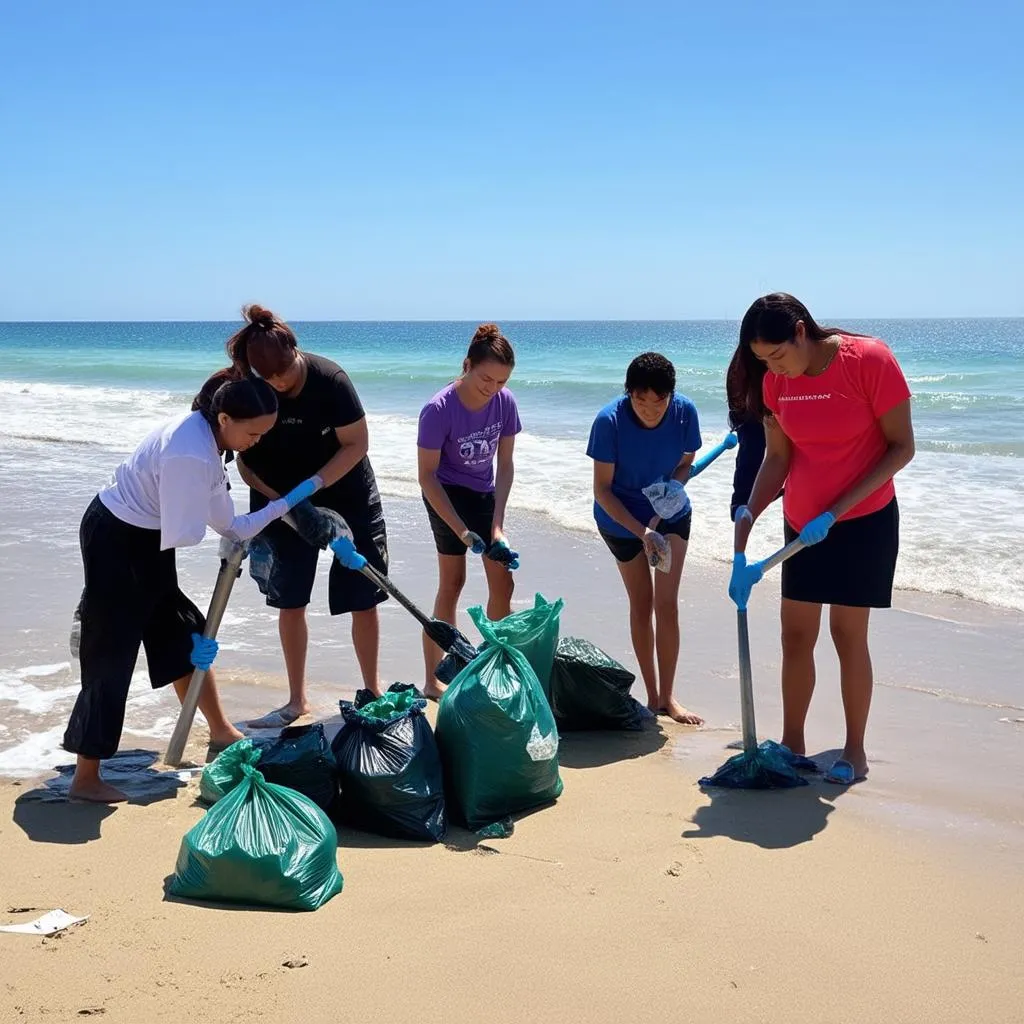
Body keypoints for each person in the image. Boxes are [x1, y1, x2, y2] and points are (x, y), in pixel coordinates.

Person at [63, 369, 321, 803]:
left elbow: (232, 525)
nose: (257, 442)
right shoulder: (191, 453)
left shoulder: (210, 442)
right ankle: (85, 778)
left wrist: (287, 504)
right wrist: (228, 517)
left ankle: (220, 729)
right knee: (111, 653)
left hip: (146, 538)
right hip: (117, 539)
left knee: (182, 631)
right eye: (253, 433)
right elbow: (189, 533)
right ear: (224, 419)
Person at [729, 293, 915, 785]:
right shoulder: (775, 384)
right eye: (763, 361)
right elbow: (777, 458)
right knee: (795, 636)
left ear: (800, 332)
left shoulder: (868, 360)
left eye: (778, 355)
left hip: (863, 520)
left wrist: (837, 511)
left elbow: (902, 448)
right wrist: (750, 512)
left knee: (846, 636)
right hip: (804, 525)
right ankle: (793, 743)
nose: (774, 369)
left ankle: (854, 751)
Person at [231, 305, 390, 726]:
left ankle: (372, 691)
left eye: (285, 373)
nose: (280, 383)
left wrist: (313, 488)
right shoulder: (252, 389)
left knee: (363, 596)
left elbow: (357, 444)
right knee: (292, 599)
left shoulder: (331, 381)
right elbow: (244, 462)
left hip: (346, 489)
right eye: (270, 379)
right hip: (278, 494)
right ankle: (296, 699)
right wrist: (289, 504)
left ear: (296, 352)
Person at [586, 352, 704, 725]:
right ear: (629, 394)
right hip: (619, 520)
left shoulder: (685, 412)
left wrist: (670, 493)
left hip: (669, 513)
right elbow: (602, 490)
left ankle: (669, 697)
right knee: (642, 602)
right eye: (641, 400)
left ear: (671, 396)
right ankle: (652, 696)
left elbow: (687, 460)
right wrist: (643, 532)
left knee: (666, 604)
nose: (651, 409)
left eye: (660, 401)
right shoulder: (609, 421)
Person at [417, 323, 521, 698]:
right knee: (452, 583)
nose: (492, 388)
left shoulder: (505, 402)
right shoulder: (438, 409)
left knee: (503, 581)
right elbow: (426, 476)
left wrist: (497, 526)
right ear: (467, 365)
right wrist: (461, 530)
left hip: (483, 492)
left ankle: (498, 667)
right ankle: (433, 679)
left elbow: (505, 465)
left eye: (501, 381)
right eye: (486, 378)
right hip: (445, 494)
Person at [726, 347, 768, 521]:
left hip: (754, 411)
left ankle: (741, 506)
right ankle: (740, 508)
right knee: (752, 447)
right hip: (752, 412)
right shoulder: (744, 363)